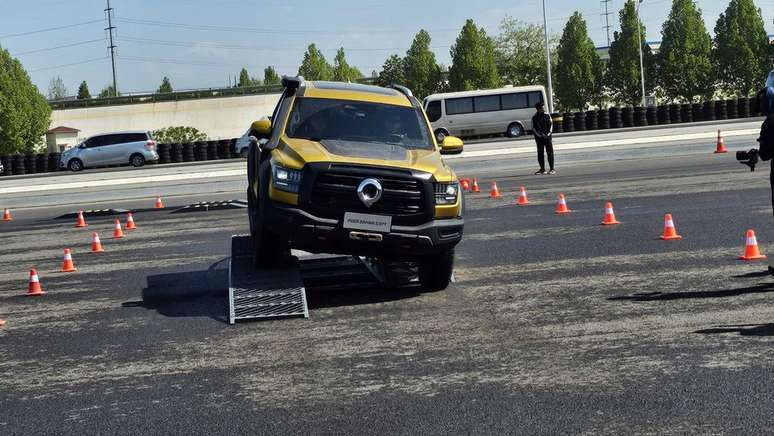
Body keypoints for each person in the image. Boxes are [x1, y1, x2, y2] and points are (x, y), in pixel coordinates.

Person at [531, 101, 555, 175]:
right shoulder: (534, 118)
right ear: (538, 109)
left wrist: (547, 134)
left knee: (550, 153)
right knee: (540, 154)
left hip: (547, 138)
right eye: (542, 107)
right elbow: (533, 128)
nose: (543, 108)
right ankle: (542, 169)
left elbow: (551, 126)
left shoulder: (547, 115)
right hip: (539, 139)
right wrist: (540, 135)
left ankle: (552, 169)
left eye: (543, 107)